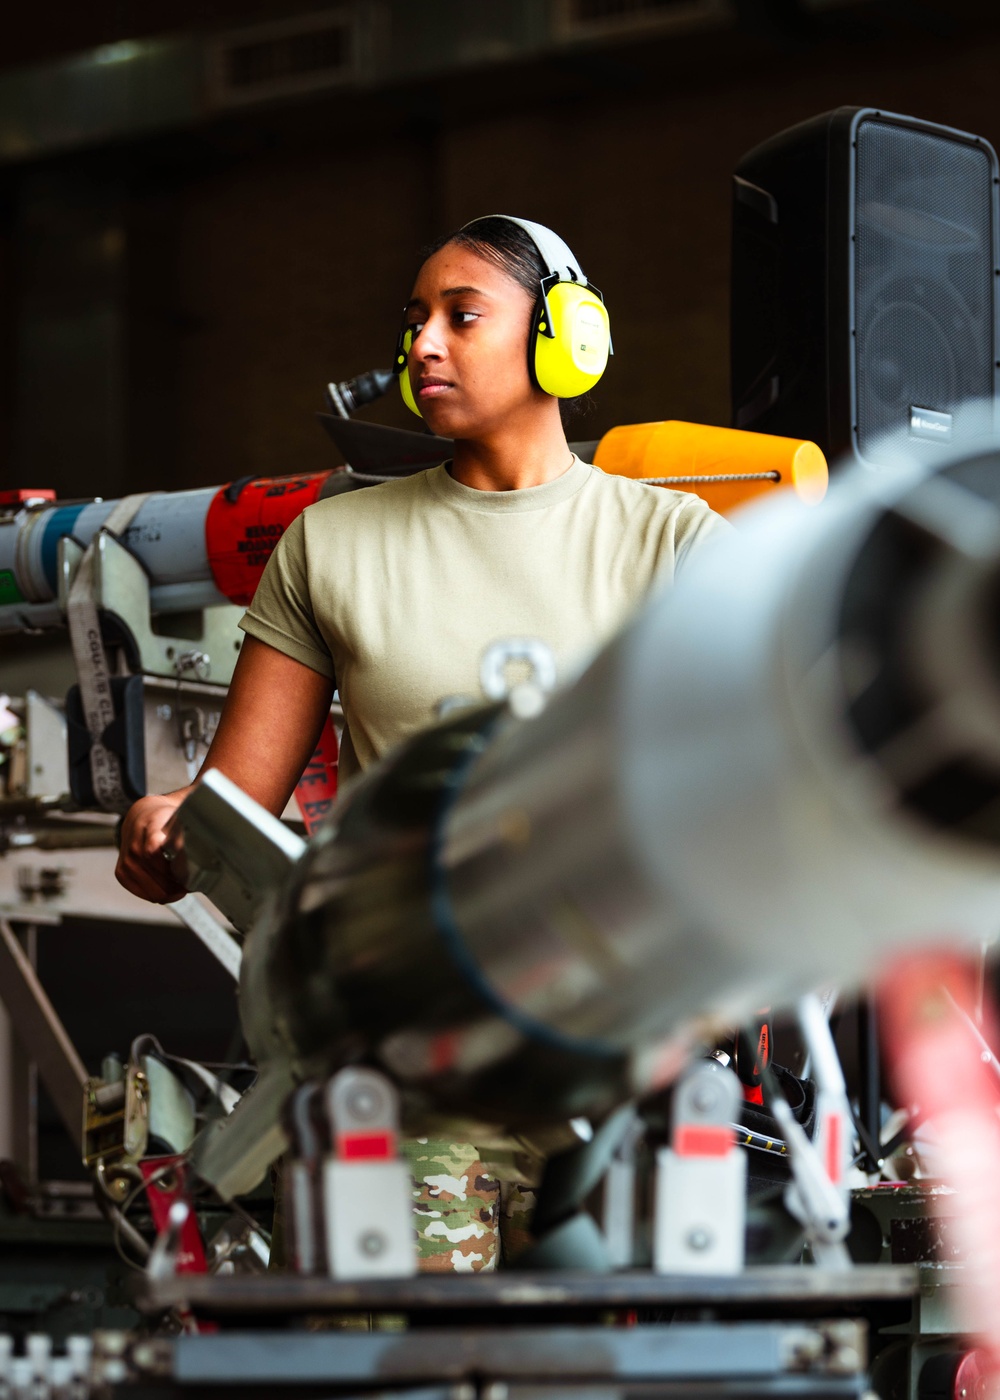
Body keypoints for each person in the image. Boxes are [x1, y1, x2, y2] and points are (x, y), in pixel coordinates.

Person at [116, 214, 730, 1270]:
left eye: (461, 315)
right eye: (413, 323)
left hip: (621, 1066)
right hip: (407, 1070)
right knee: (410, 1364)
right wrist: (165, 832)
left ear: (564, 337)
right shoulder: (334, 543)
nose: (424, 346)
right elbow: (229, 807)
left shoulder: (670, 542)